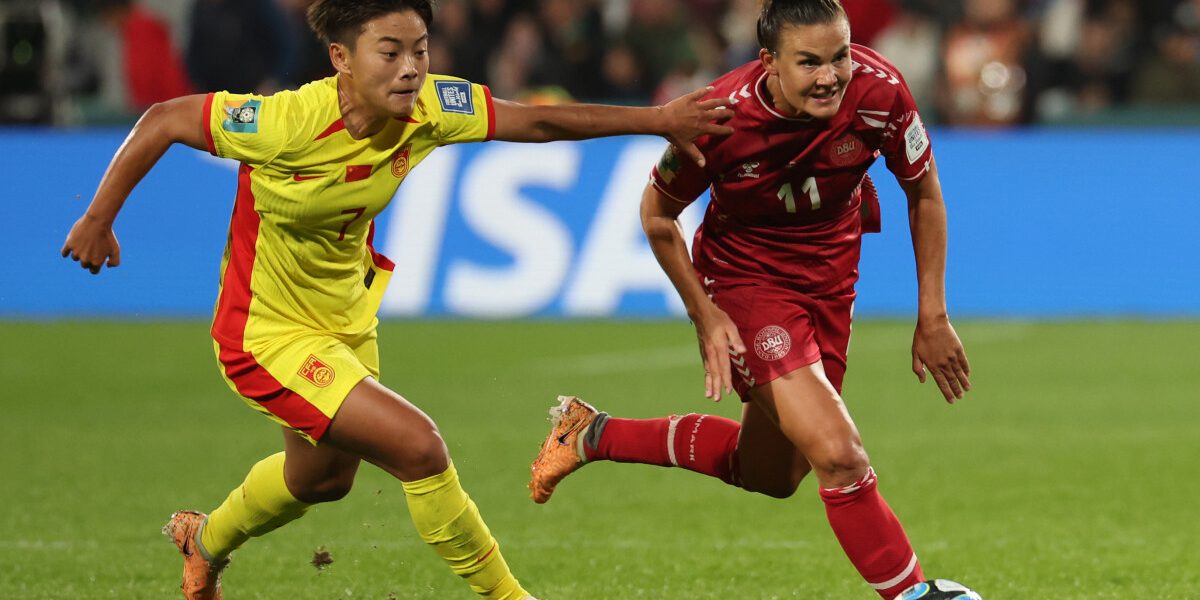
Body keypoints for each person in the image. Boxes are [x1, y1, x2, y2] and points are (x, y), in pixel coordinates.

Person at [59, 1, 732, 598]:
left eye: (421, 49)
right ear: (341, 59)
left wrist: (655, 118)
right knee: (419, 448)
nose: (412, 68)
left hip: (347, 322)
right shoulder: (284, 123)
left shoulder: (433, 107)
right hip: (265, 333)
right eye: (391, 52)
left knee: (320, 480)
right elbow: (164, 119)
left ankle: (203, 541)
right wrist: (99, 217)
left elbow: (539, 122)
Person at [528, 1, 971, 598]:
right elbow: (657, 214)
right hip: (745, 284)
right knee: (839, 456)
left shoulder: (881, 93)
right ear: (769, 63)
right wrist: (704, 313)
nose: (830, 76)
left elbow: (924, 191)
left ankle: (590, 433)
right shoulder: (718, 117)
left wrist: (933, 314)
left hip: (832, 282)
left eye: (838, 56)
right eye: (808, 62)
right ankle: (915, 594)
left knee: (772, 474)